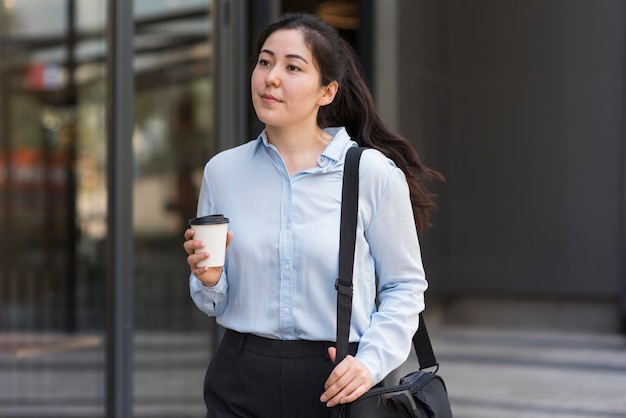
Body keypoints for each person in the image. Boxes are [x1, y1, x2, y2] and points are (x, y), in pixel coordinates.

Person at [183, 11, 443, 418]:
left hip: (338, 380)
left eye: (292, 67)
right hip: (240, 376)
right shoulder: (223, 172)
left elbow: (405, 287)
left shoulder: (370, 173)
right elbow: (212, 301)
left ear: (327, 91)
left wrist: (370, 363)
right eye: (265, 62)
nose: (271, 77)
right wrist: (210, 280)